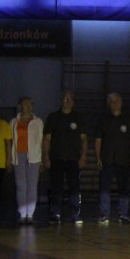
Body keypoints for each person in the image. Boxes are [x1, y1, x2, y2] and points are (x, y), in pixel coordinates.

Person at [42, 90, 88, 224]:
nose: (66, 101)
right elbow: (47, 139)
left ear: (73, 102)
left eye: (69, 99)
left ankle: (75, 214)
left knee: (74, 187)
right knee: (56, 186)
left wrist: (84, 156)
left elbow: (84, 139)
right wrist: (46, 156)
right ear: (60, 101)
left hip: (73, 158)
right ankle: (55, 213)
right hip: (56, 158)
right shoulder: (53, 117)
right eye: (64, 98)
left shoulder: (78, 118)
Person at [95, 92, 130, 224]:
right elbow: (98, 140)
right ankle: (104, 214)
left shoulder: (128, 119)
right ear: (109, 104)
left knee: (124, 188)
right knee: (104, 188)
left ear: (121, 103)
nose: (114, 104)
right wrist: (98, 158)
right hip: (107, 159)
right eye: (112, 101)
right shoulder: (103, 120)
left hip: (124, 159)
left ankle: (123, 214)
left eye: (117, 101)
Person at [9, 96, 43, 224]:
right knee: (21, 186)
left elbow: (40, 141)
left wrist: (42, 160)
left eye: (31, 104)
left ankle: (30, 214)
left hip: (34, 156)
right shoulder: (13, 122)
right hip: (18, 155)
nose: (28, 107)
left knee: (32, 186)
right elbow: (10, 140)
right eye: (25, 104)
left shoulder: (38, 122)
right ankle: (22, 215)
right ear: (20, 106)